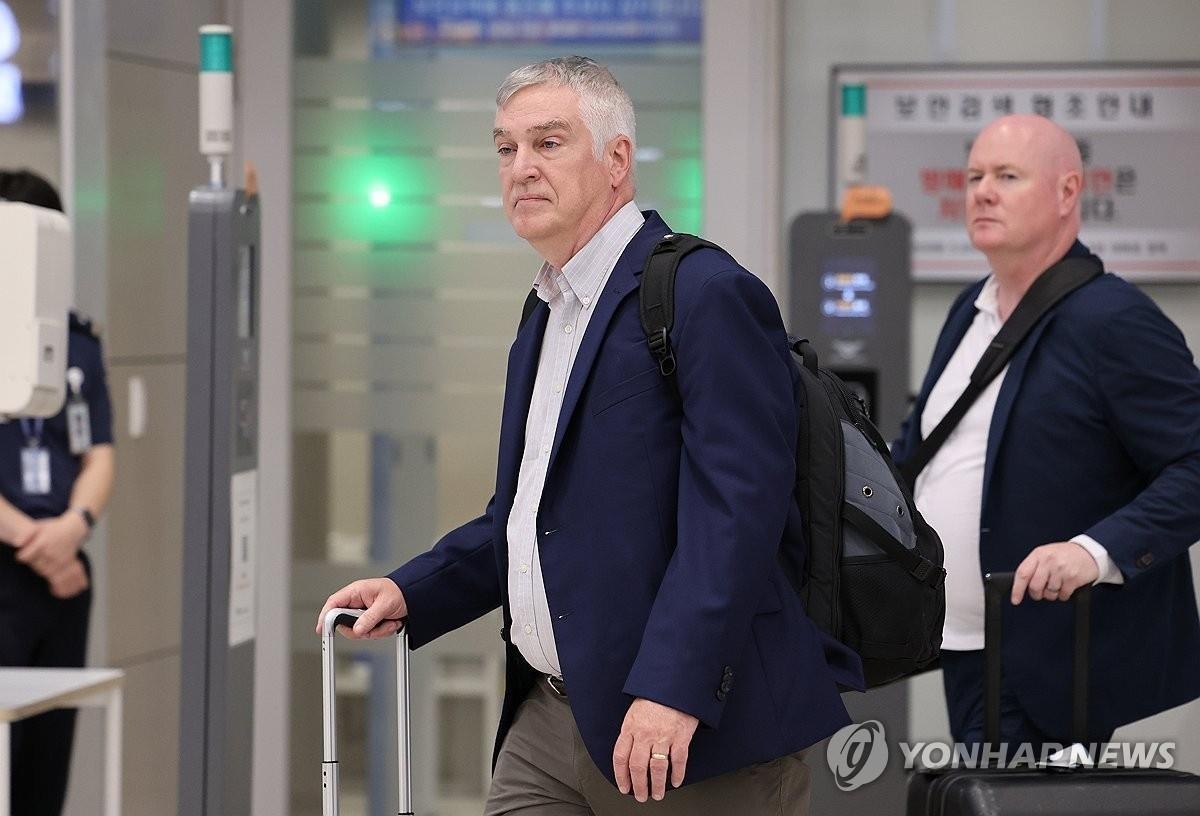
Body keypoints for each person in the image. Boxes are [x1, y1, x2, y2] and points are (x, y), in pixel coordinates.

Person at [318, 56, 861, 814]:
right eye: (506, 148)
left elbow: (737, 518)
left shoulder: (703, 294)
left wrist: (674, 688)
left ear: (617, 160)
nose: (521, 169)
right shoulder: (545, 312)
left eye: (548, 143)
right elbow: (528, 514)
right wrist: (415, 590)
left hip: (687, 732)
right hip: (548, 721)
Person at [892, 115, 1200, 751]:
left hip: (1058, 664)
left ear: (1067, 193)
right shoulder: (970, 308)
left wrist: (1094, 552)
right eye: (974, 175)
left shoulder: (1114, 320)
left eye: (1007, 176)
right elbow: (927, 446)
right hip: (968, 647)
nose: (981, 191)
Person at [0, 169, 116, 815]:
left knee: (46, 772)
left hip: (64, 577)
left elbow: (100, 454)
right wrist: (36, 543)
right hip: (13, 565)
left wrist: (73, 527)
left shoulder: (77, 342)